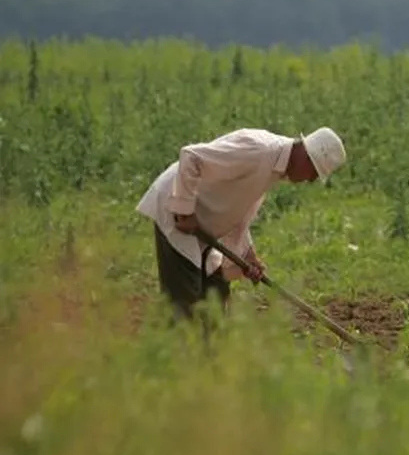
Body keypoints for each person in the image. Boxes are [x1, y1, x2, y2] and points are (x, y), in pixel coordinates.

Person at [135, 126, 347, 323]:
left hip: (203, 226)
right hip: (175, 210)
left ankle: (208, 358)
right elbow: (191, 156)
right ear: (306, 158)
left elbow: (236, 209)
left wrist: (247, 255)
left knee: (215, 296)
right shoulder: (258, 150)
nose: (309, 180)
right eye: (314, 173)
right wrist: (184, 209)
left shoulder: (273, 168)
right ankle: (179, 358)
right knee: (186, 303)